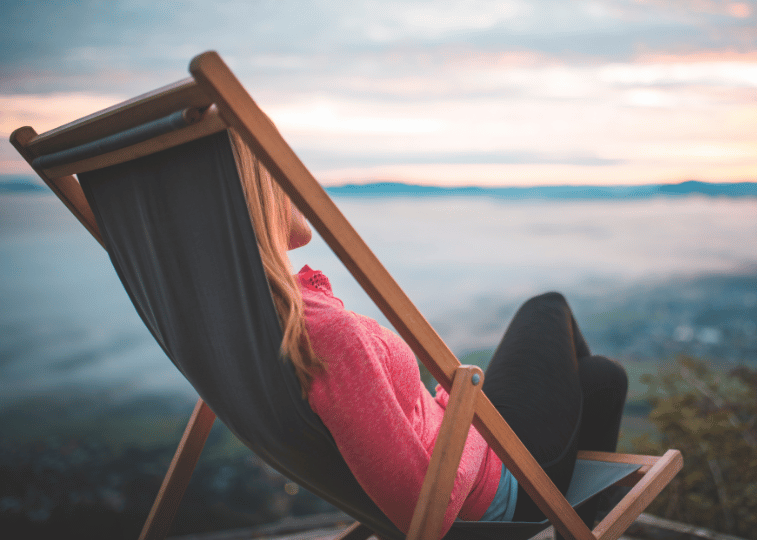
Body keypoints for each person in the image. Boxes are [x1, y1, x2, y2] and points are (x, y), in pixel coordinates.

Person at [229, 132, 628, 537]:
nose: (297, 187)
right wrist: (462, 409)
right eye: (280, 175)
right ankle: (569, 524)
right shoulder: (331, 335)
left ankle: (575, 528)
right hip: (503, 485)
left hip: (471, 452)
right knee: (548, 306)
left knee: (603, 378)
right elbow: (421, 509)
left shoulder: (254, 320)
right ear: (258, 198)